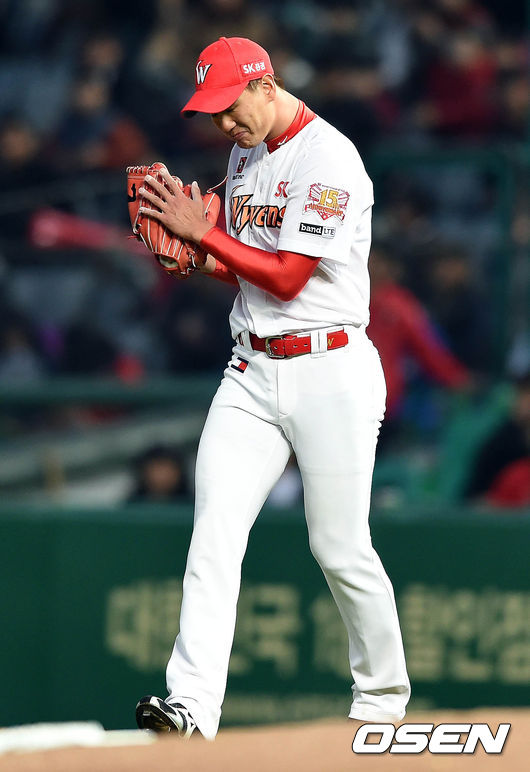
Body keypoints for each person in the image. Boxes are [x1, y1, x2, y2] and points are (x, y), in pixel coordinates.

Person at [134, 36, 410, 740]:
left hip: (330, 369)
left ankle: (382, 703)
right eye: (214, 113)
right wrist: (198, 257)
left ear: (266, 84)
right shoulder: (247, 152)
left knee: (339, 547)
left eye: (232, 107)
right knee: (214, 533)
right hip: (251, 370)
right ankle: (191, 708)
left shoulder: (329, 159)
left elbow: (288, 277)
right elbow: (248, 268)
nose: (226, 124)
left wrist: (204, 234)